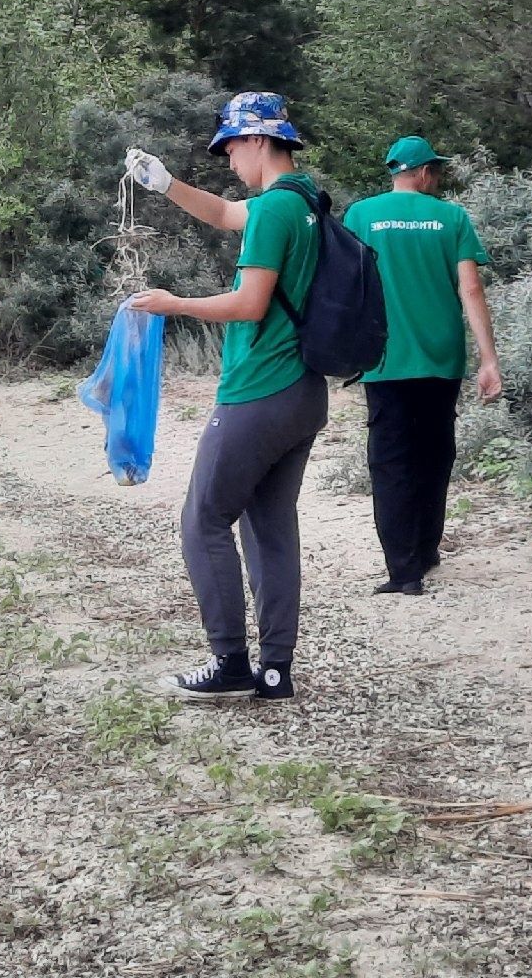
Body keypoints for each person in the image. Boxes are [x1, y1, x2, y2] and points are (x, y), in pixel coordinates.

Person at [126, 92, 328, 702]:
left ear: (259, 140)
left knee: (203, 520)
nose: (230, 160)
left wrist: (174, 304)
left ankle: (230, 662)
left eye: (232, 147)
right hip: (303, 392)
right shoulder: (304, 201)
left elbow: (250, 304)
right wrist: (166, 185)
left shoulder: (274, 210)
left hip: (258, 390)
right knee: (271, 526)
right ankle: (275, 671)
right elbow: (221, 213)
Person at [345, 137, 501, 596]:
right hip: (441, 356)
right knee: (434, 453)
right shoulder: (452, 217)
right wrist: (489, 359)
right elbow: (471, 290)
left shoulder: (361, 215)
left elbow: (347, 282)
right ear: (424, 171)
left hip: (386, 357)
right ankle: (427, 549)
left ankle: (404, 571)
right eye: (435, 169)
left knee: (391, 460)